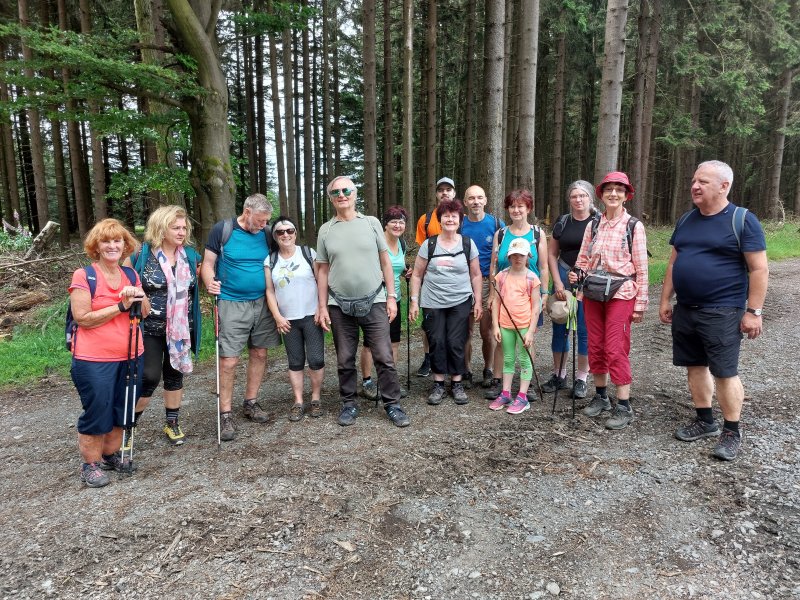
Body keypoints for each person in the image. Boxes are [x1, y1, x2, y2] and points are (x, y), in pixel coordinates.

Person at [659, 160, 768, 461]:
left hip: (723, 310)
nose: (694, 186)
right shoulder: (685, 220)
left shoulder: (742, 220)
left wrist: (753, 312)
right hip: (687, 309)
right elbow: (673, 262)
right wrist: (665, 299)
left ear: (724, 186)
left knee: (724, 371)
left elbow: (759, 269)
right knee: (694, 366)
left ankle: (732, 431)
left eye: (703, 182)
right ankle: (705, 420)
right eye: (694, 180)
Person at [316, 176, 411, 428]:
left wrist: (391, 296)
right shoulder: (325, 230)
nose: (341, 195)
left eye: (346, 190)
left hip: (375, 299)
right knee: (345, 358)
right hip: (339, 304)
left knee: (384, 355)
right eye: (335, 192)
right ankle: (348, 404)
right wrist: (322, 306)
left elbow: (385, 262)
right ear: (330, 198)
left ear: (355, 194)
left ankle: (393, 405)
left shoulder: (371, 223)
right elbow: (323, 270)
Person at [69, 218, 149, 487]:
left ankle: (110, 454)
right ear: (97, 246)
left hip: (131, 354)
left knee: (122, 408)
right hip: (93, 359)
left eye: (118, 241)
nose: (113, 245)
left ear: (125, 245)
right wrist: (121, 305)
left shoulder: (131, 275)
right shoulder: (84, 276)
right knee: (98, 409)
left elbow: (145, 312)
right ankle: (90, 465)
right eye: (107, 241)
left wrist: (138, 295)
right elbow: (83, 317)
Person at [569, 171, 649, 430]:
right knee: (596, 346)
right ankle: (601, 396)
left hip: (621, 292)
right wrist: (576, 274)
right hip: (593, 291)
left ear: (626, 195)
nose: (613, 194)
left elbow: (642, 268)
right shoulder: (593, 225)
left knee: (615, 347)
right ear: (601, 195)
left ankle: (624, 405)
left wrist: (640, 304)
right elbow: (583, 260)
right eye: (609, 189)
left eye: (619, 190)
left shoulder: (633, 226)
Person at [200, 193, 281, 442]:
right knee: (229, 360)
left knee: (259, 352)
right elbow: (207, 264)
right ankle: (225, 413)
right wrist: (209, 282)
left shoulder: (266, 234)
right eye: (260, 220)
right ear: (247, 212)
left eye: (267, 220)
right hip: (232, 303)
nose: (264, 225)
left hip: (263, 303)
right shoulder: (222, 230)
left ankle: (251, 402)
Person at [125, 205, 202, 447]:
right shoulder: (141, 255)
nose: (181, 231)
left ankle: (172, 423)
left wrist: (214, 283)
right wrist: (138, 292)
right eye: (175, 227)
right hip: (149, 327)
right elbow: (122, 281)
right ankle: (127, 427)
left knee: (175, 374)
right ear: (161, 228)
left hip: (180, 328)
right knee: (149, 377)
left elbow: (203, 278)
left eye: (184, 227)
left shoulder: (189, 256)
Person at [409, 199, 482, 406]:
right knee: (437, 340)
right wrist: (414, 301)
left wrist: (477, 302)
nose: (450, 219)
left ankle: (457, 382)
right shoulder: (429, 244)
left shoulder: (468, 243)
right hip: (433, 300)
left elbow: (476, 275)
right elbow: (416, 275)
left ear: (460, 220)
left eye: (454, 216)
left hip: (460, 300)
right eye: (446, 216)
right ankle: (439, 383)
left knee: (456, 341)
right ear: (440, 220)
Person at [486, 189, 549, 401]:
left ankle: (526, 384)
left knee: (526, 340)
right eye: (512, 206)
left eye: (520, 206)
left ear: (528, 208)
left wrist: (545, 293)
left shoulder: (538, 234)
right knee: (503, 340)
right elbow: (494, 265)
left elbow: (544, 266)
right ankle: (498, 381)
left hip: (529, 293)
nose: (516, 210)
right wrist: (492, 294)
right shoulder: (501, 234)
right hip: (503, 293)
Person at [264, 215, 325, 422]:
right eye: (280, 232)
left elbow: (320, 281)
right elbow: (269, 292)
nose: (285, 235)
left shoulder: (308, 254)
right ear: (275, 236)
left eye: (289, 231)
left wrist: (321, 308)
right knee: (295, 361)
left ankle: (315, 398)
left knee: (316, 359)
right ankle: (298, 401)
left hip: (311, 315)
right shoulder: (270, 260)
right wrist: (277, 316)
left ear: (295, 233)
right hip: (287, 319)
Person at [544, 181, 597, 400]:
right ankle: (559, 374)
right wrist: (557, 282)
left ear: (591, 198)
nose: (578, 200)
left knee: (584, 331)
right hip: (564, 278)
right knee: (560, 327)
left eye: (583, 196)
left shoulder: (599, 223)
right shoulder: (563, 222)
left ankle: (582, 378)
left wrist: (586, 277)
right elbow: (551, 253)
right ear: (569, 199)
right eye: (574, 196)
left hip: (590, 281)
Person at [360, 206, 411, 401]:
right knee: (370, 344)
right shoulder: (374, 242)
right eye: (394, 221)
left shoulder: (402, 244)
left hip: (394, 299)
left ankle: (390, 381)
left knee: (393, 342)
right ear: (385, 224)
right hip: (374, 301)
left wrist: (405, 271)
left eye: (401, 221)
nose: (398, 225)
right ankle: (367, 382)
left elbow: (396, 268)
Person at [489, 238, 541, 414]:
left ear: (528, 256)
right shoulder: (502, 276)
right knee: (508, 358)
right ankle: (505, 393)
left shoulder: (532, 278)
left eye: (521, 255)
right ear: (509, 257)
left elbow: (536, 307)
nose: (518, 258)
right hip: (505, 324)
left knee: (525, 359)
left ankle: (523, 396)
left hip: (524, 326)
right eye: (514, 255)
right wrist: (495, 326)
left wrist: (531, 331)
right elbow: (496, 302)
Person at [460, 184, 504, 391]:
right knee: (464, 331)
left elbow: (504, 253)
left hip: (488, 282)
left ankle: (488, 369)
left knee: (487, 331)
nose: (476, 202)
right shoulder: (460, 225)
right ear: (465, 202)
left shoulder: (496, 223)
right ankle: (466, 370)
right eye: (471, 198)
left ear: (485, 200)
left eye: (479, 198)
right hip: (463, 283)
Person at [414, 176, 456, 377]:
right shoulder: (426, 219)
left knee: (454, 322)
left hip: (455, 279)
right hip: (431, 279)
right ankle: (428, 357)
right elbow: (421, 249)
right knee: (429, 323)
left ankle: (450, 359)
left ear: (454, 193)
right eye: (441, 190)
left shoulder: (458, 217)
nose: (445, 193)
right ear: (436, 194)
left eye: (448, 189)